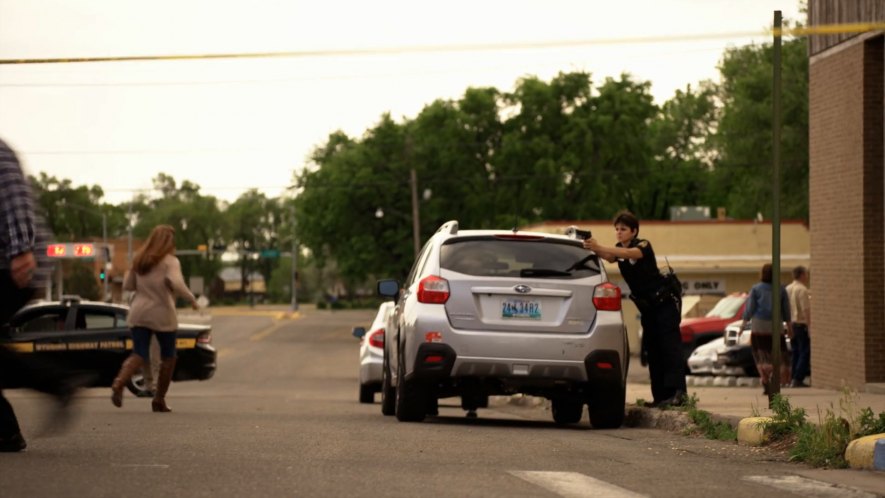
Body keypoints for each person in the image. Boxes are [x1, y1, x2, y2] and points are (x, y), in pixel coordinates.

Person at [0, 137, 83, 452]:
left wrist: (21, 249)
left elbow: (13, 194)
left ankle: (55, 383)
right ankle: (7, 429)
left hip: (10, 263)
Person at [585, 210, 687, 408]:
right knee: (653, 350)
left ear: (634, 231)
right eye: (616, 229)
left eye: (623, 229)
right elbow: (609, 255)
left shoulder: (642, 245)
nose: (619, 232)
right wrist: (591, 246)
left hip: (664, 305)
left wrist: (601, 247)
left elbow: (630, 254)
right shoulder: (617, 250)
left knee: (670, 349)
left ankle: (679, 393)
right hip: (648, 308)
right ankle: (660, 397)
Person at [111, 225, 198, 412]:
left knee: (139, 353)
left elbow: (127, 285)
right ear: (168, 242)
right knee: (169, 356)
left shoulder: (139, 259)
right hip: (162, 313)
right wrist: (191, 298)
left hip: (139, 312)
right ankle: (159, 399)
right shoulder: (170, 261)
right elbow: (177, 283)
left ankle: (119, 383)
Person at [740, 263, 793, 395]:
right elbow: (786, 310)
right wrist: (789, 327)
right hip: (776, 325)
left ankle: (765, 380)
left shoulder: (756, 289)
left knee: (761, 354)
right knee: (777, 353)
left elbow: (750, 308)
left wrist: (743, 324)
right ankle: (776, 379)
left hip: (759, 325)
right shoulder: (781, 289)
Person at [786, 265, 811, 388]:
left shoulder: (788, 289)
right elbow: (805, 309)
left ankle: (792, 377)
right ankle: (798, 378)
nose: (807, 276)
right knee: (805, 351)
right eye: (806, 274)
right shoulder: (802, 290)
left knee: (795, 351)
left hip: (792, 323)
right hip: (801, 324)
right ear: (801, 275)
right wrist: (809, 325)